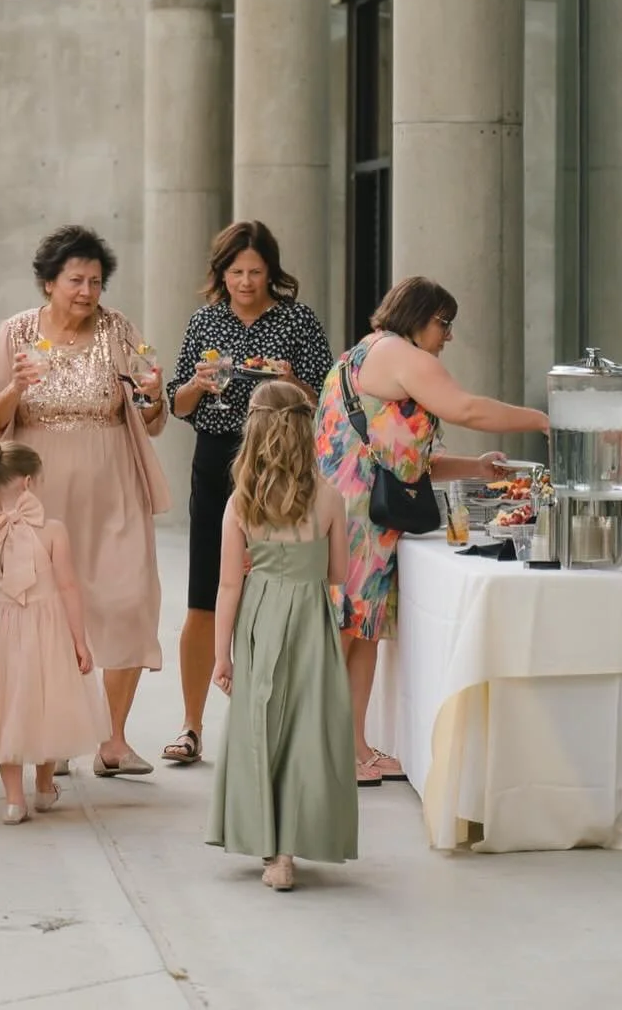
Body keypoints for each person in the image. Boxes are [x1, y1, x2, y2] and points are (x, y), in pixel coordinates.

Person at [315, 275, 551, 786]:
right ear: (419, 317)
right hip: (356, 518)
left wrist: (477, 467)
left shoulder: (365, 353)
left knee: (362, 632)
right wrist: (542, 419)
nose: (448, 337)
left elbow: (402, 462)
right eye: (444, 324)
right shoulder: (403, 355)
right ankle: (321, 749)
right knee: (345, 630)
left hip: (357, 512)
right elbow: (465, 409)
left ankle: (353, 748)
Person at [0, 225, 169, 778]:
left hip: (114, 483)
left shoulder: (122, 329)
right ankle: (52, 737)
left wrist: (155, 397)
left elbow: (152, 414)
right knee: (45, 611)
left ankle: (113, 740)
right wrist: (16, 387)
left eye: (96, 281)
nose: (87, 291)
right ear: (48, 282)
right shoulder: (15, 334)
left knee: (129, 598)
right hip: (40, 489)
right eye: (76, 280)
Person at [162, 221, 333, 768]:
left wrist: (291, 381)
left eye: (255, 272)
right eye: (235, 271)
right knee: (205, 593)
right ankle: (191, 725)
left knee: (280, 589)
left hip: (282, 463)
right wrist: (197, 384)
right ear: (221, 273)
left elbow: (324, 397)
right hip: (216, 460)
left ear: (271, 272)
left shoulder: (297, 320)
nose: (245, 281)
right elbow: (179, 405)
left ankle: (281, 725)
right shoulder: (205, 321)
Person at [209, 381, 357, 892]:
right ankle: (289, 849)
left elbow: (228, 585)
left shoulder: (241, 503)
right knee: (303, 732)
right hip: (310, 621)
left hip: (258, 620)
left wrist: (221, 656)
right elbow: (338, 573)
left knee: (260, 727)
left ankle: (270, 850)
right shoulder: (331, 499)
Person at [0, 440, 108, 822]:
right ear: (29, 482)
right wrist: (79, 640)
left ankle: (14, 800)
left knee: (5, 713)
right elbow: (68, 587)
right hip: (47, 629)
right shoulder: (53, 532)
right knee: (48, 706)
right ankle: (45, 787)